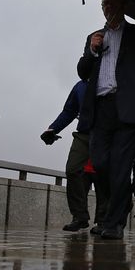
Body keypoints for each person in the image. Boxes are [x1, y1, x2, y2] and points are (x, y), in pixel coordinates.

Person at [77, 0, 135, 240]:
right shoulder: (95, 37)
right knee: (100, 164)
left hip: (129, 109)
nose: (106, 8)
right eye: (103, 4)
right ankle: (119, 205)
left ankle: (113, 223)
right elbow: (83, 72)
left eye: (111, 4)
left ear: (122, 6)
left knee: (121, 167)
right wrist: (92, 51)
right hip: (101, 108)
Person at [42, 78, 108, 232]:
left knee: (103, 177)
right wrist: (53, 129)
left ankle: (104, 220)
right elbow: (69, 111)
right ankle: (79, 217)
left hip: (105, 136)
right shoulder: (81, 85)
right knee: (73, 169)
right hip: (84, 135)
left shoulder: (110, 82)